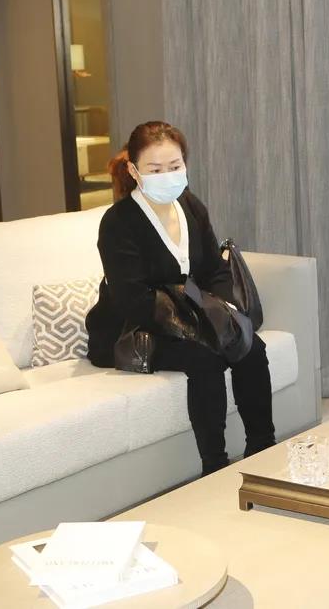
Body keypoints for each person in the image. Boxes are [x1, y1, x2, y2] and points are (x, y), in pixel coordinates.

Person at [86, 121, 275, 476]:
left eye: (174, 166)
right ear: (134, 171)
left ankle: (262, 449)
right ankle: (215, 467)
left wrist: (227, 312)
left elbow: (214, 271)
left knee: (250, 344)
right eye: (155, 170)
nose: (167, 176)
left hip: (187, 315)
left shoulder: (190, 205)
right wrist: (198, 329)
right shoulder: (118, 222)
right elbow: (132, 300)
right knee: (205, 356)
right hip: (134, 329)